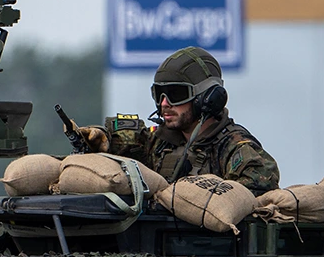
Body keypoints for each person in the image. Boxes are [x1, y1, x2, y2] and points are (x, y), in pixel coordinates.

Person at [72, 46, 280, 196]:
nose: (164, 103)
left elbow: (257, 187)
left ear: (207, 98)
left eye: (175, 94)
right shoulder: (160, 142)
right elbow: (131, 142)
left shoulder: (235, 149)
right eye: (159, 94)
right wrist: (100, 139)